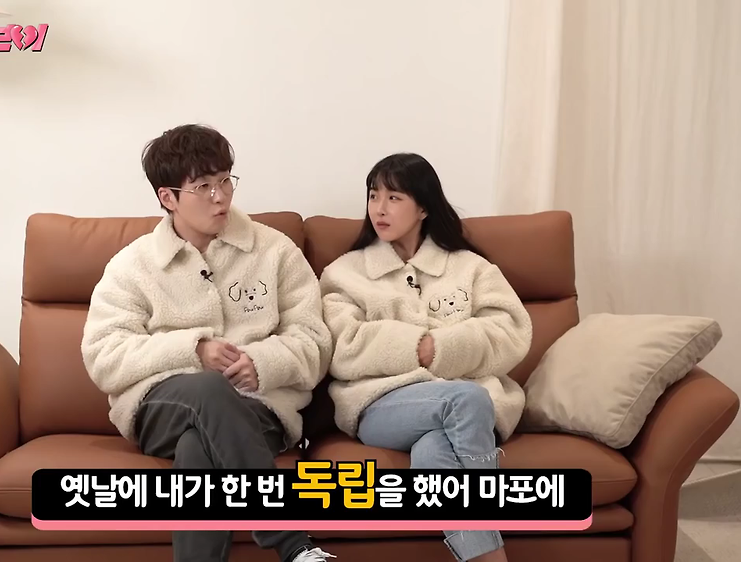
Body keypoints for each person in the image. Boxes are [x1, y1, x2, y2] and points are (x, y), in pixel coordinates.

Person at [81, 124, 336, 562]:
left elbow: (315, 339)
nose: (220, 197)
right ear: (168, 197)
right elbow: (104, 354)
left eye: (225, 181)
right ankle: (294, 544)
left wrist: (263, 362)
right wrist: (193, 350)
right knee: (208, 388)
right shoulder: (133, 266)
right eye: (203, 187)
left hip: (259, 410)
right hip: (161, 409)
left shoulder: (274, 251)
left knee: (196, 450)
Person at [318, 153, 533, 562]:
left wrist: (446, 348)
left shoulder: (470, 268)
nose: (379, 208)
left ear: (423, 208)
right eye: (373, 195)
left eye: (394, 197)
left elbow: (511, 330)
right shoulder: (344, 273)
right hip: (383, 404)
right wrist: (417, 347)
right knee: (467, 400)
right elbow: (341, 347)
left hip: (462, 406)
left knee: (433, 453)